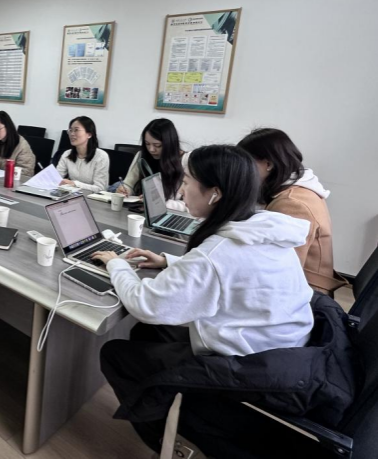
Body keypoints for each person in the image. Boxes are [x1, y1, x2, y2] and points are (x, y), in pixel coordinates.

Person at [94, 145, 317, 455]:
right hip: (284, 353)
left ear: (215, 193)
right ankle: (166, 401)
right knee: (148, 332)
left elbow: (146, 305)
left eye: (187, 182)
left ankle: (171, 440)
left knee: (115, 353)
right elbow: (231, 274)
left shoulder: (216, 253)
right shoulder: (263, 226)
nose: (181, 191)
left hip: (248, 369)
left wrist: (116, 264)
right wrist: (169, 262)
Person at [238, 128, 346, 295]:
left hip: (307, 292)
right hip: (303, 282)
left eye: (247, 163)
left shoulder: (292, 203)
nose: (242, 170)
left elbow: (280, 268)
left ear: (268, 164)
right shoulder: (297, 186)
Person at [116, 118, 188, 211]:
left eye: (157, 145)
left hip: (171, 213)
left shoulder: (186, 161)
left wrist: (160, 202)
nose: (151, 149)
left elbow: (190, 205)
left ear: (169, 144)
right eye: (147, 144)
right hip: (142, 211)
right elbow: (129, 183)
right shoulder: (142, 156)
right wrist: (125, 190)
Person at [56, 116, 110, 192]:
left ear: (89, 134)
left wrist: (75, 184)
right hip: (72, 195)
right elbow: (56, 178)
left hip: (92, 197)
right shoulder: (67, 154)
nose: (72, 134)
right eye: (70, 130)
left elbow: (100, 188)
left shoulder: (101, 156)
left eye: (76, 130)